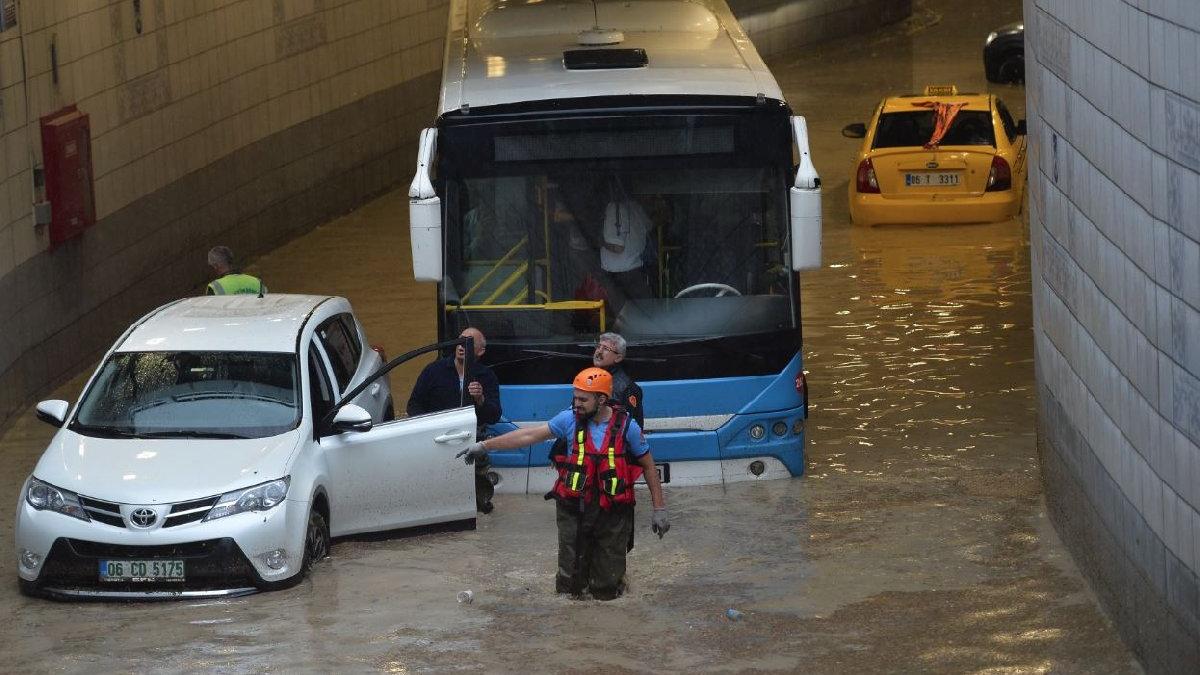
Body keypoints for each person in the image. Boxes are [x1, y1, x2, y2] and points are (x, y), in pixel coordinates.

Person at [456, 367, 668, 600]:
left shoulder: (628, 427)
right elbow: (529, 436)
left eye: (583, 399)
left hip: (613, 512)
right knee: (570, 586)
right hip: (573, 509)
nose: (576, 404)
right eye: (575, 398)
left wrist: (659, 509)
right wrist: (484, 446)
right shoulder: (568, 419)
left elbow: (649, 466)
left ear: (601, 400)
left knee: (607, 589)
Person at [408, 327, 502, 513]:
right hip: (436, 440)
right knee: (434, 494)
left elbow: (494, 416)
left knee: (477, 502)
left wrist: (480, 399)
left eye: (468, 343)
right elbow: (413, 406)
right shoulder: (434, 371)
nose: (461, 346)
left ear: (480, 351)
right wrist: (429, 429)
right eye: (460, 341)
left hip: (471, 440)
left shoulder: (486, 376)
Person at [599, 176, 652, 310]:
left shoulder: (614, 209)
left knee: (622, 317)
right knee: (643, 313)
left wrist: (598, 241)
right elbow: (649, 226)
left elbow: (617, 248)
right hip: (637, 272)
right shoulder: (636, 208)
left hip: (618, 277)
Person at [593, 332, 644, 428]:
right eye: (598, 346)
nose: (599, 351)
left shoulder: (627, 388)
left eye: (605, 349)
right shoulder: (589, 379)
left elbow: (630, 427)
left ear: (618, 358)